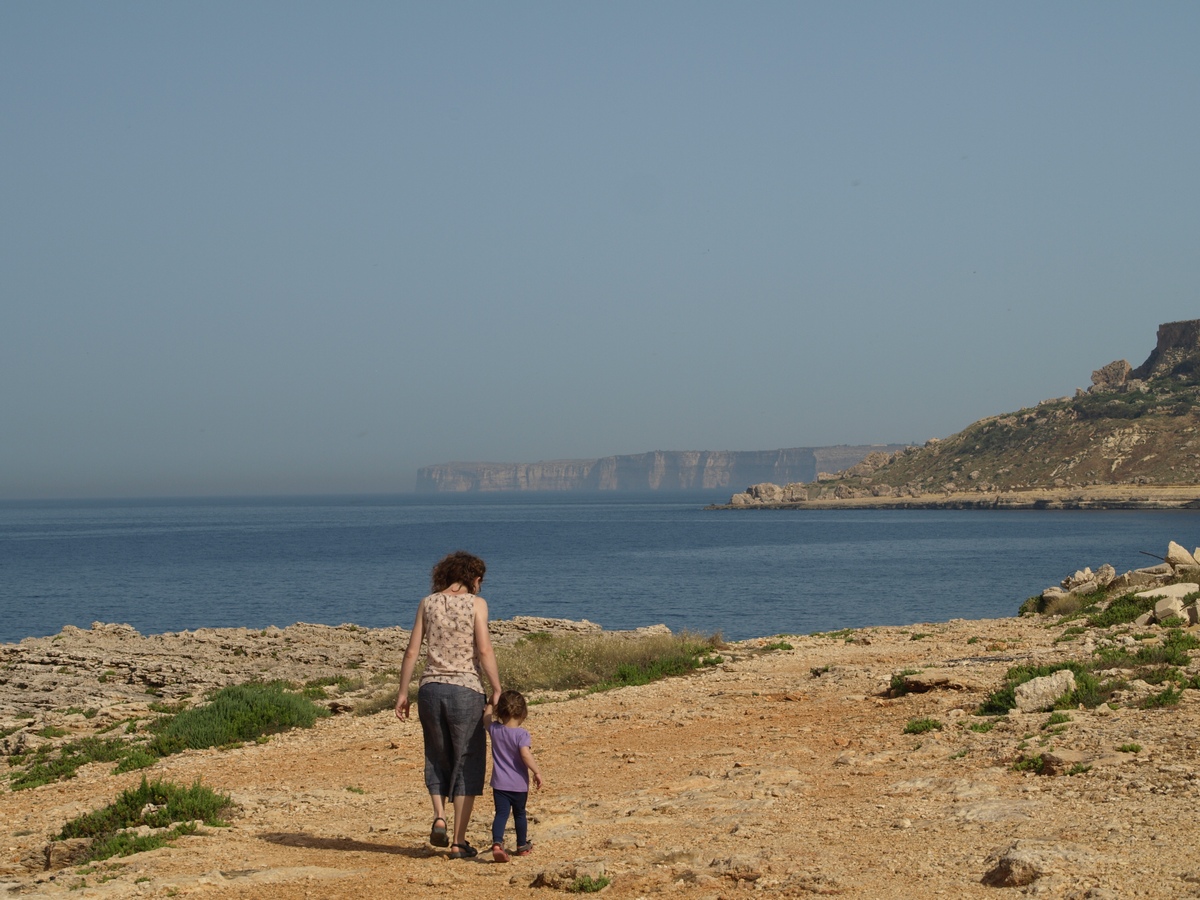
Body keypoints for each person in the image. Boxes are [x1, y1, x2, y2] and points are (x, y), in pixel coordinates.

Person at [397, 551, 502, 859]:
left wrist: (402, 692)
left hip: (429, 689)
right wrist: (496, 688)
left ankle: (440, 816)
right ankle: (458, 841)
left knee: (436, 754)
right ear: (475, 578)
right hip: (465, 689)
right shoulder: (476, 604)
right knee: (467, 760)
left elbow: (411, 651)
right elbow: (484, 649)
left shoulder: (427, 603)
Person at [484, 689, 544, 863]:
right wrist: (536, 771)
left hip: (499, 784)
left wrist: (489, 704)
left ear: (500, 711)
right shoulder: (522, 734)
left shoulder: (495, 729)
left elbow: (486, 719)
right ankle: (522, 845)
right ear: (523, 712)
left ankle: (497, 843)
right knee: (519, 814)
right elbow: (525, 754)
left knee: (501, 814)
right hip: (518, 784)